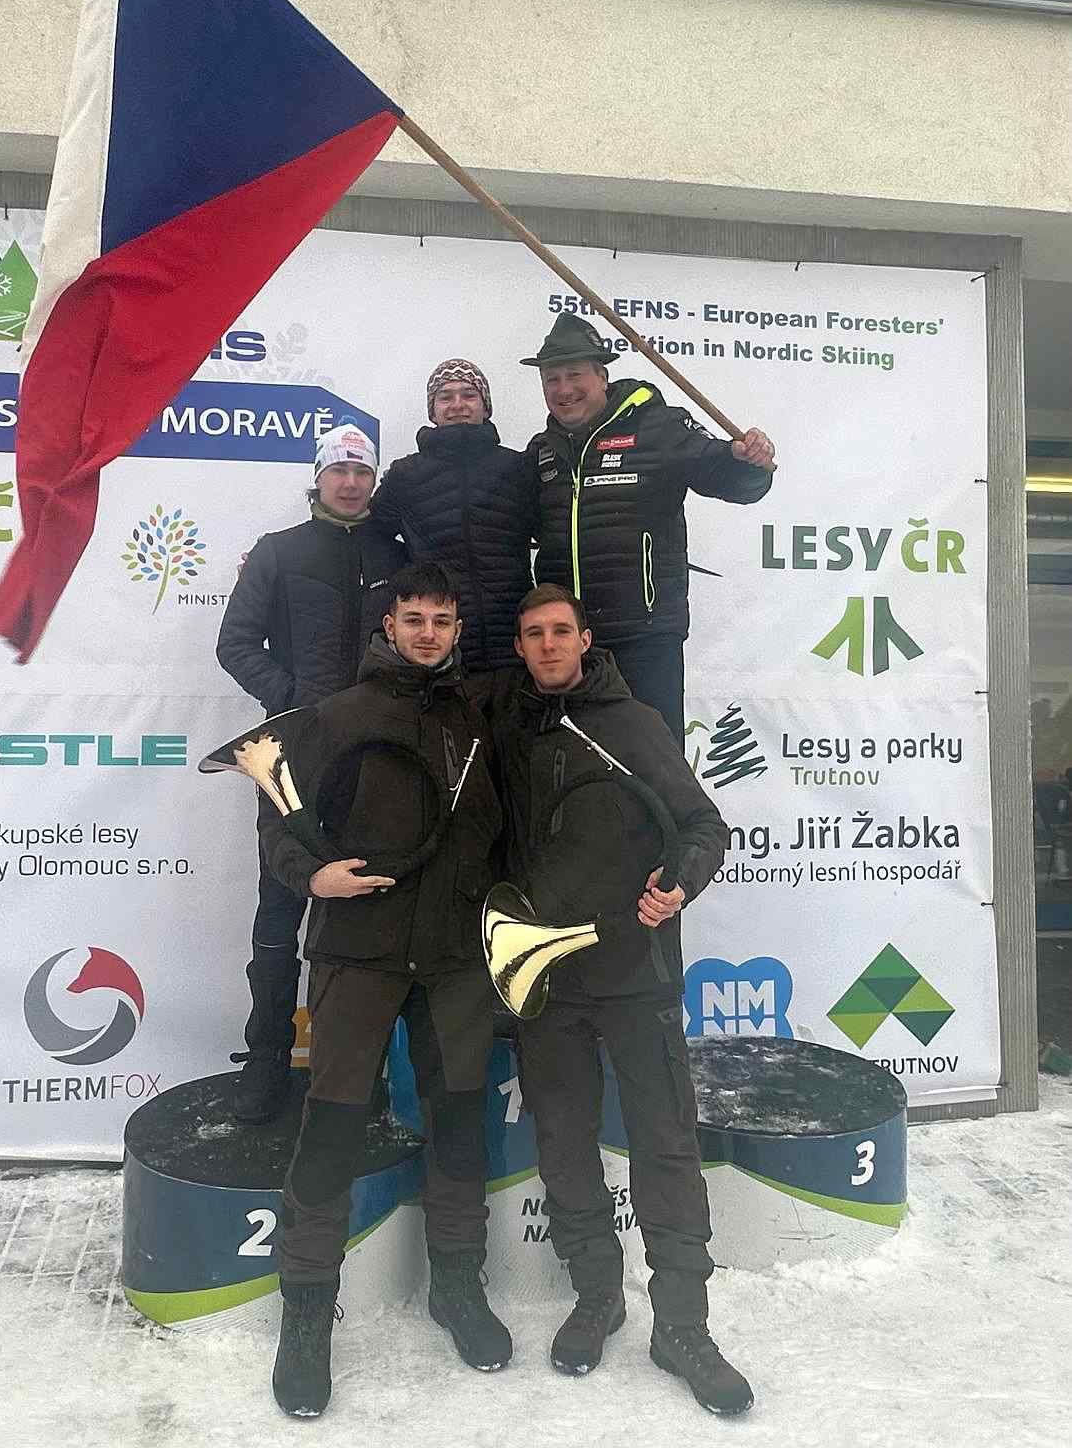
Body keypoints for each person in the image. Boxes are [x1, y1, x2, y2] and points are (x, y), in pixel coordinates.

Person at [491, 583, 752, 1415]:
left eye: (559, 631)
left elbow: (703, 827)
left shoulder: (634, 723)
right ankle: (596, 1295)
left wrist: (678, 885)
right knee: (563, 1144)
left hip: (636, 976)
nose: (546, 645)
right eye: (532, 634)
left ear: (584, 638)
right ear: (520, 646)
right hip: (548, 982)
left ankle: (682, 1326)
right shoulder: (510, 731)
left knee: (664, 1146)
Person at [259, 562, 509, 1417]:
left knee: (459, 1127)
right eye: (413, 619)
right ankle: (305, 1313)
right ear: (389, 626)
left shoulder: (480, 716)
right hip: (356, 955)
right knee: (330, 1130)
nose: (427, 634)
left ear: (457, 630)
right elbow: (276, 817)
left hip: (455, 959)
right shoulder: (337, 714)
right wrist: (310, 875)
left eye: (442, 620)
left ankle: (458, 1287)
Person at [215, 422, 404, 1122]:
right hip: (292, 754)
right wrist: (293, 699)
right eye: (338, 471)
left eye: (361, 471)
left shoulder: (395, 553)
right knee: (279, 910)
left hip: (372, 758)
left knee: (361, 912)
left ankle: (355, 1066)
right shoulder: (277, 551)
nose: (350, 483)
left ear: (373, 481)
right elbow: (235, 643)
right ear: (318, 479)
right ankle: (266, 1058)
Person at [524, 312, 776, 745]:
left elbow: (729, 477)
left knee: (654, 763)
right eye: (552, 379)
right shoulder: (542, 450)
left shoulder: (659, 426)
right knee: (576, 763)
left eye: (574, 375)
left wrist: (751, 463)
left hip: (645, 638)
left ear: (602, 376)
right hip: (568, 643)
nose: (563, 389)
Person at [371, 358, 535, 670]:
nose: (457, 404)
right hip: (439, 650)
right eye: (445, 397)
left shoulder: (518, 468)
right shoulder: (406, 475)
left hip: (514, 646)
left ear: (485, 407)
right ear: (432, 411)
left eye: (469, 395)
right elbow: (369, 537)